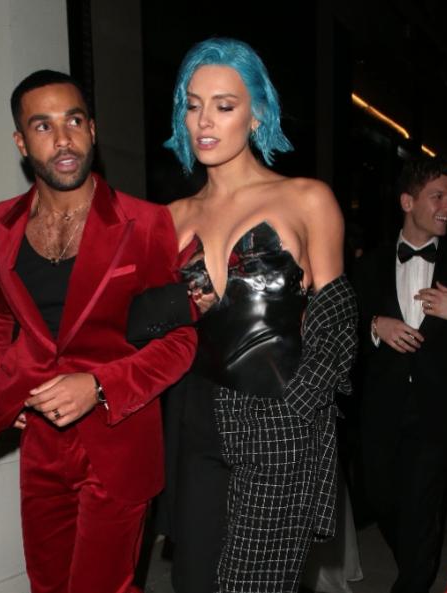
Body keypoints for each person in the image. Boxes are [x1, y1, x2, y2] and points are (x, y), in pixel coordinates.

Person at [0, 69, 197, 593]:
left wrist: (98, 386)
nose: (63, 139)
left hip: (119, 442)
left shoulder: (145, 225)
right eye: (43, 126)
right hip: (41, 447)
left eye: (74, 121)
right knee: (47, 584)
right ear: (21, 142)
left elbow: (180, 341)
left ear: (92, 130)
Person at [157, 38, 357, 593]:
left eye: (224, 105)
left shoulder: (306, 197)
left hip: (278, 417)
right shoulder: (171, 217)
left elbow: (336, 320)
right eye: (192, 104)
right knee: (193, 580)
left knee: (257, 585)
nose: (204, 120)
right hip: (194, 416)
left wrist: (298, 410)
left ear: (257, 112)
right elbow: (147, 324)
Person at [354, 155, 447, 593]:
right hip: (381, 412)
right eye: (438, 196)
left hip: (439, 417)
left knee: (421, 511)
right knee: (382, 501)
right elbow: (343, 326)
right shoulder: (369, 265)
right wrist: (376, 326)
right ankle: (417, 557)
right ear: (407, 201)